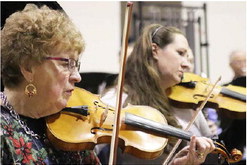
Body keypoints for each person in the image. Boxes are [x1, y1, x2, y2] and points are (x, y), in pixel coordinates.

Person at [95, 24, 215, 165]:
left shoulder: (186, 104)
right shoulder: (116, 101)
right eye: (180, 53)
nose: (186, 64)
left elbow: (212, 149)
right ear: (155, 50)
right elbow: (95, 156)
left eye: (187, 57)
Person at [0, 4, 101, 164]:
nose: (77, 76)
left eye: (76, 65)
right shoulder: (3, 133)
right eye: (66, 64)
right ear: (28, 67)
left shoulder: (71, 128)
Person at [218, 50, 246, 165]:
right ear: (231, 65)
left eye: (245, 61)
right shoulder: (225, 89)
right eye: (239, 61)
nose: (243, 64)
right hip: (234, 145)